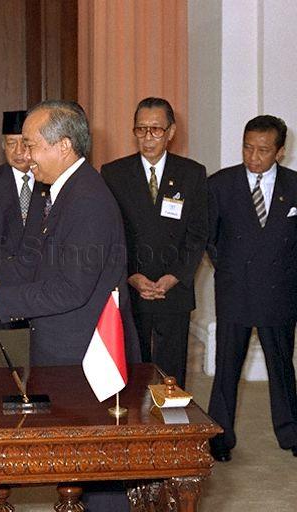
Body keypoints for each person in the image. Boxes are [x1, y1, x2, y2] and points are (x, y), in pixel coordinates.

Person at [0, 100, 139, 512]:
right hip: (64, 352)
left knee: (98, 470)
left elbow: (70, 289)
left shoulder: (88, 200)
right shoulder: (60, 190)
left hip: (86, 359)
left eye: (31, 145)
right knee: (75, 467)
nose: (25, 155)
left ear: (63, 146)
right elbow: (35, 261)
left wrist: (0, 297)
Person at [206, 115, 297, 462]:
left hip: (280, 292)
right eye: (247, 148)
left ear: (280, 152)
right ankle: (219, 436)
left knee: (282, 367)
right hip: (235, 290)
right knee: (226, 368)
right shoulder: (220, 184)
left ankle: (290, 432)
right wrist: (231, 269)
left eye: (263, 150)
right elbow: (210, 239)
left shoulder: (294, 186)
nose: (253, 157)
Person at [101, 97, 208, 388]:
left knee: (171, 371)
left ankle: (170, 416)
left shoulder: (192, 173)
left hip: (174, 287)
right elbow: (110, 233)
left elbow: (198, 233)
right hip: (131, 285)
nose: (148, 137)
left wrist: (175, 276)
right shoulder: (113, 173)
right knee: (132, 367)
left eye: (156, 130)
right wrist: (130, 275)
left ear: (171, 132)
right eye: (141, 129)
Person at [0, 110, 51, 330]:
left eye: (25, 143)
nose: (19, 151)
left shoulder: (50, 181)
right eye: (11, 143)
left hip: (40, 286)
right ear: (3, 145)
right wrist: (7, 262)